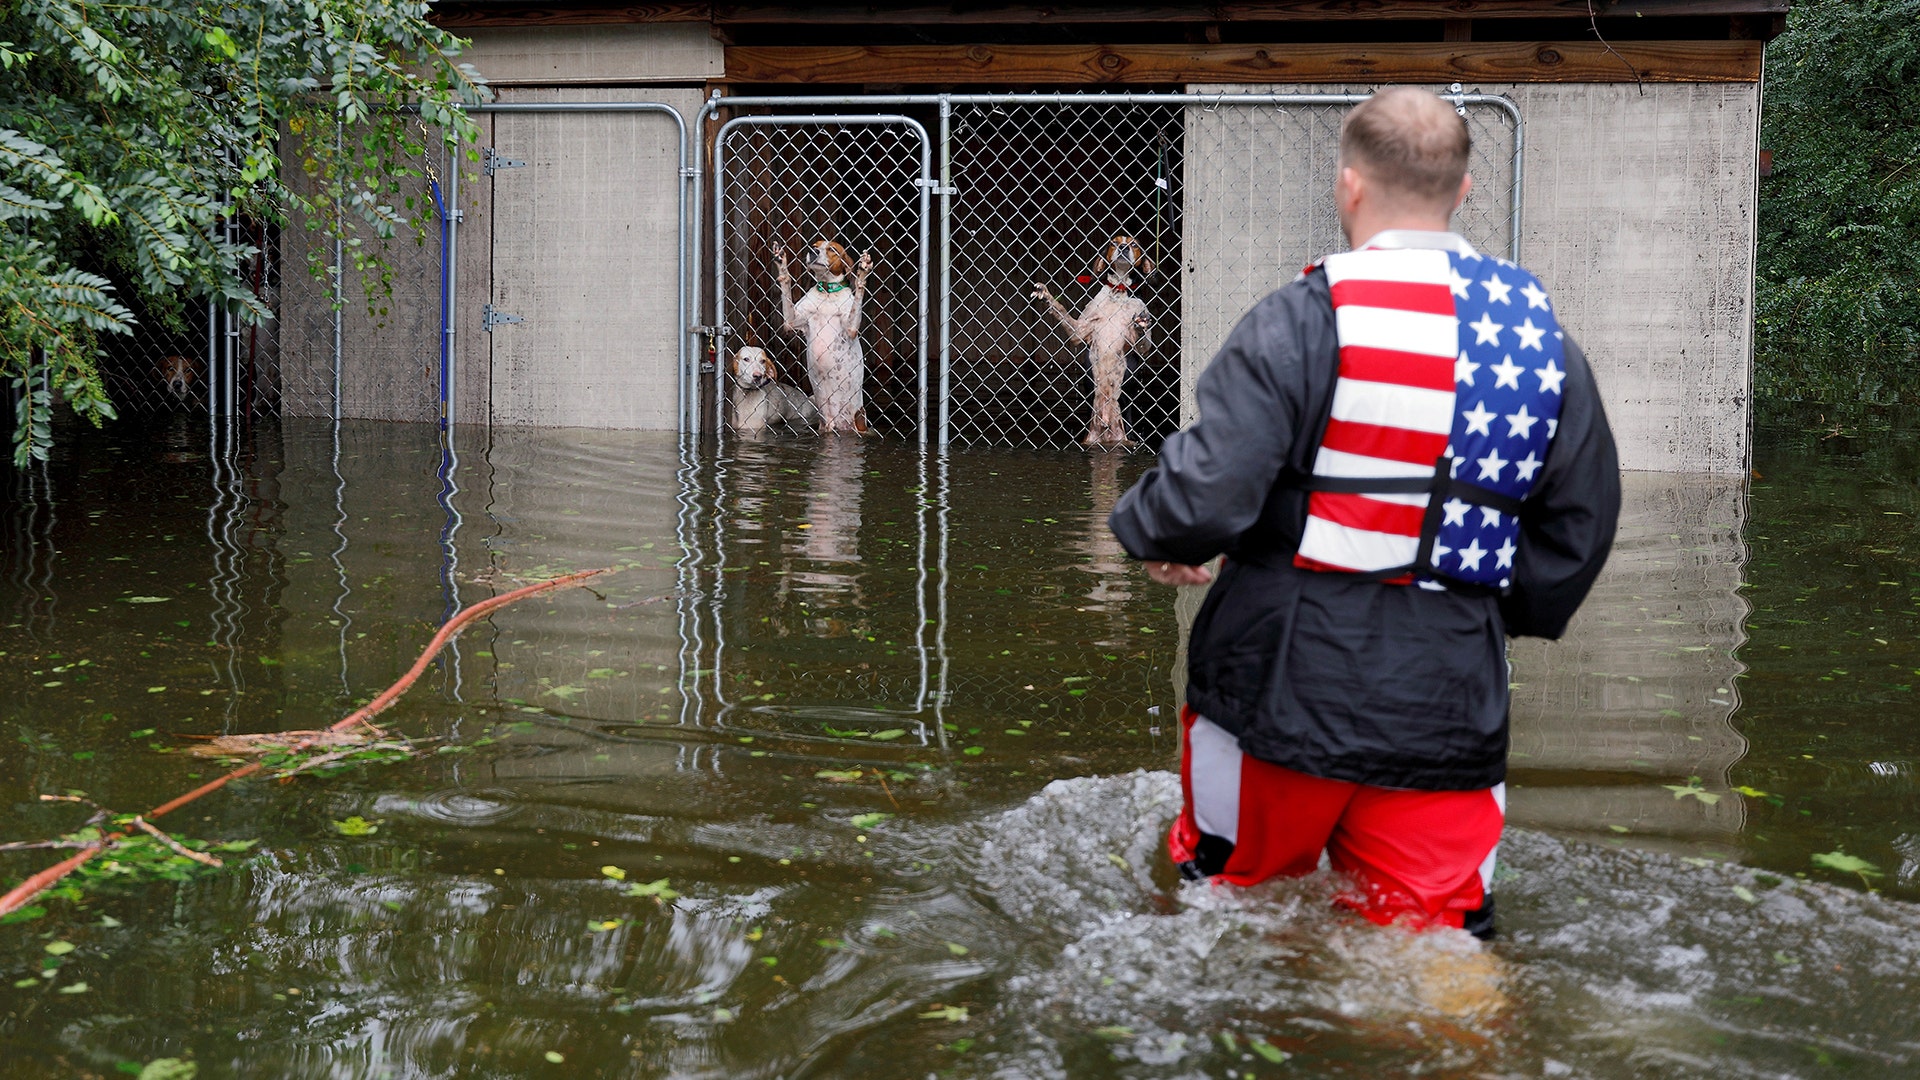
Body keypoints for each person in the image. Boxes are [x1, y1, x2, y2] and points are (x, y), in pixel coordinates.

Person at [1109, 87, 1620, 939]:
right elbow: (1581, 524)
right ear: (1463, 191)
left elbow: (1207, 493)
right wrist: (1481, 611)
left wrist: (1161, 533)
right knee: (1437, 944)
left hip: (1281, 680)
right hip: (1450, 688)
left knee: (1228, 910)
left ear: (1348, 185)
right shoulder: (1540, 339)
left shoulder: (1302, 318)